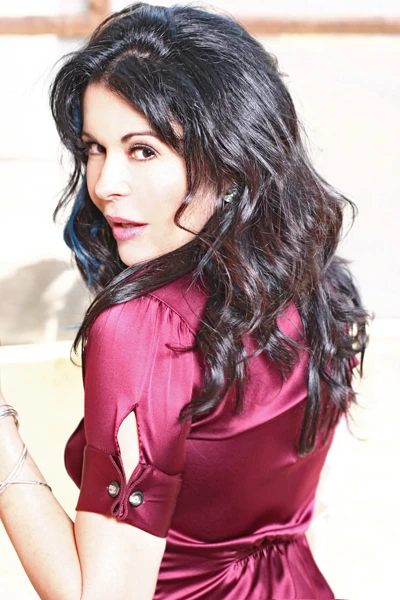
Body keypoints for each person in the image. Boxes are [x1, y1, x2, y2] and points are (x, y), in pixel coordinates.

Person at [0, 3, 369, 599]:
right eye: (95, 148)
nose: (105, 184)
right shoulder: (320, 283)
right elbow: (312, 506)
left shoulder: (142, 327)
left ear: (229, 156)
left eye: (143, 151)